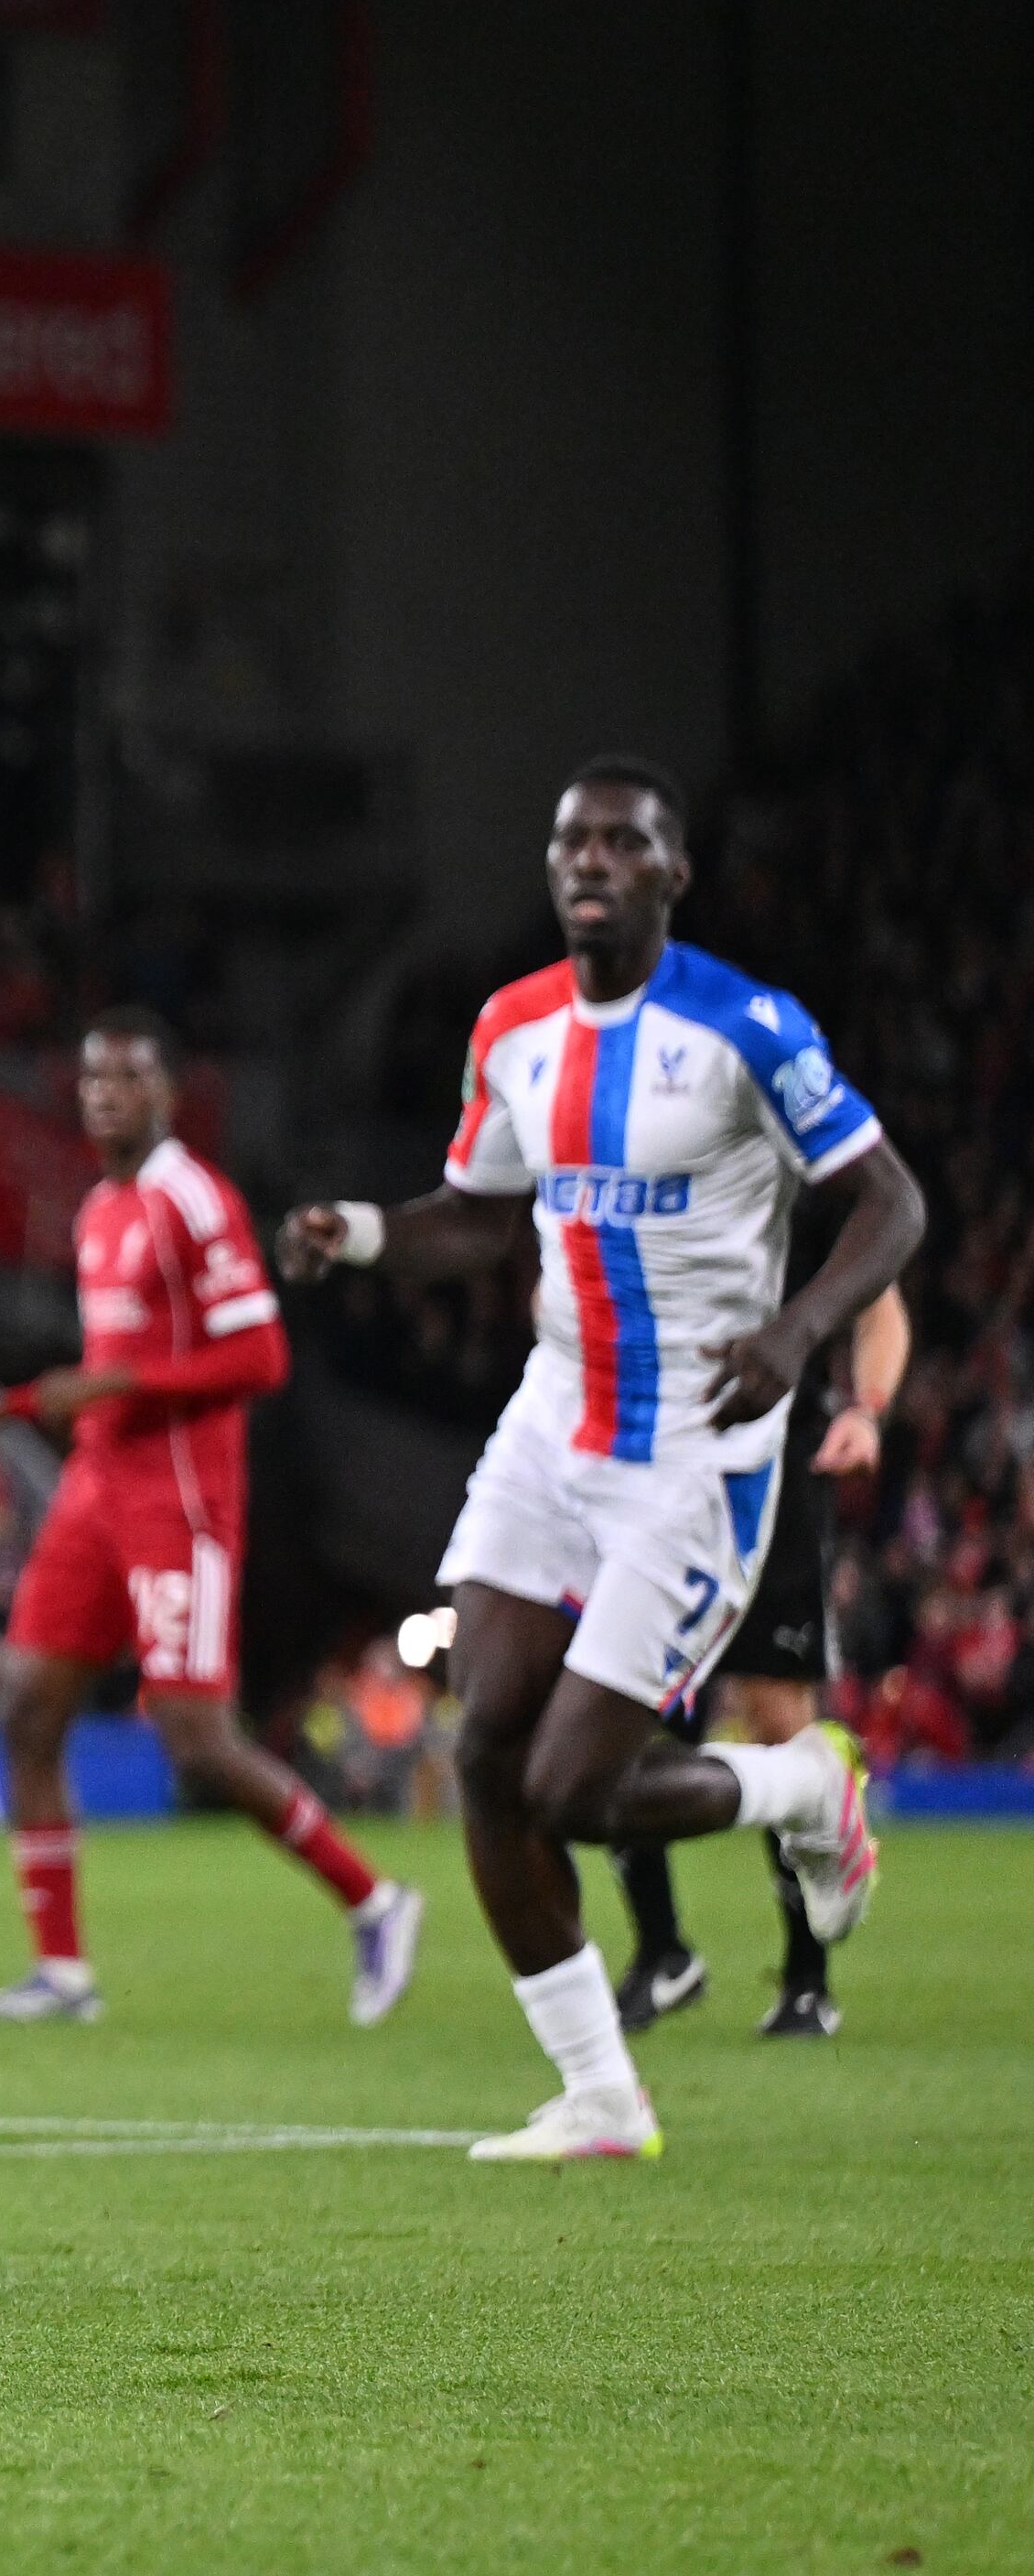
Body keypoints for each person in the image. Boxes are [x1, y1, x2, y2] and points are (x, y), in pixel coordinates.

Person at [276, 756, 919, 2161]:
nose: (592, 860)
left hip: (698, 1447)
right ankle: (602, 2095)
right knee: (489, 1752)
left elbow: (892, 1201)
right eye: (572, 839)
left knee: (574, 1790)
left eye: (625, 842)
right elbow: (478, 1213)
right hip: (550, 1423)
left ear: (672, 874)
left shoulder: (749, 1028)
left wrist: (803, 1329)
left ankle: (808, 1785)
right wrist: (366, 1235)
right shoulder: (513, 1028)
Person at [0, 1009, 423, 2028]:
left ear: (164, 1092)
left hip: (179, 1499)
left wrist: (115, 1383)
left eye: (123, 1078)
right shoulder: (100, 1207)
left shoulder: (193, 1200)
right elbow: (100, 1378)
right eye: (90, 1079)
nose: (102, 1094)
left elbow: (258, 1360)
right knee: (27, 1709)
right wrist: (11, 1409)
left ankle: (374, 1899)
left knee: (196, 1739)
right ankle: (62, 1975)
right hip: (94, 1488)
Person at [609, 1278, 907, 2039]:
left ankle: (808, 1979)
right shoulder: (634, 1172)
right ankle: (661, 1951)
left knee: (777, 1716)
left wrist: (866, 1410)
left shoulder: (804, 1168)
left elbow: (879, 1303)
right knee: (613, 1710)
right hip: (643, 1467)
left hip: (773, 1470)